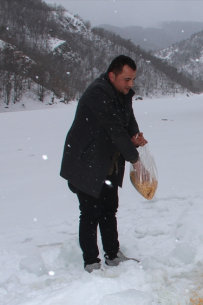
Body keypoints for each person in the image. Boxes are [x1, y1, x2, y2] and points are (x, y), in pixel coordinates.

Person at [60, 55, 148, 272]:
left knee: (109, 209)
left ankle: (112, 254)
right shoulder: (97, 93)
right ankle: (91, 262)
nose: (130, 84)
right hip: (86, 162)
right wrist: (135, 160)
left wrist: (135, 135)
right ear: (112, 76)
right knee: (90, 213)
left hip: (107, 162)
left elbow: (128, 119)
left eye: (133, 79)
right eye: (126, 79)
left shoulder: (121, 93)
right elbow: (115, 129)